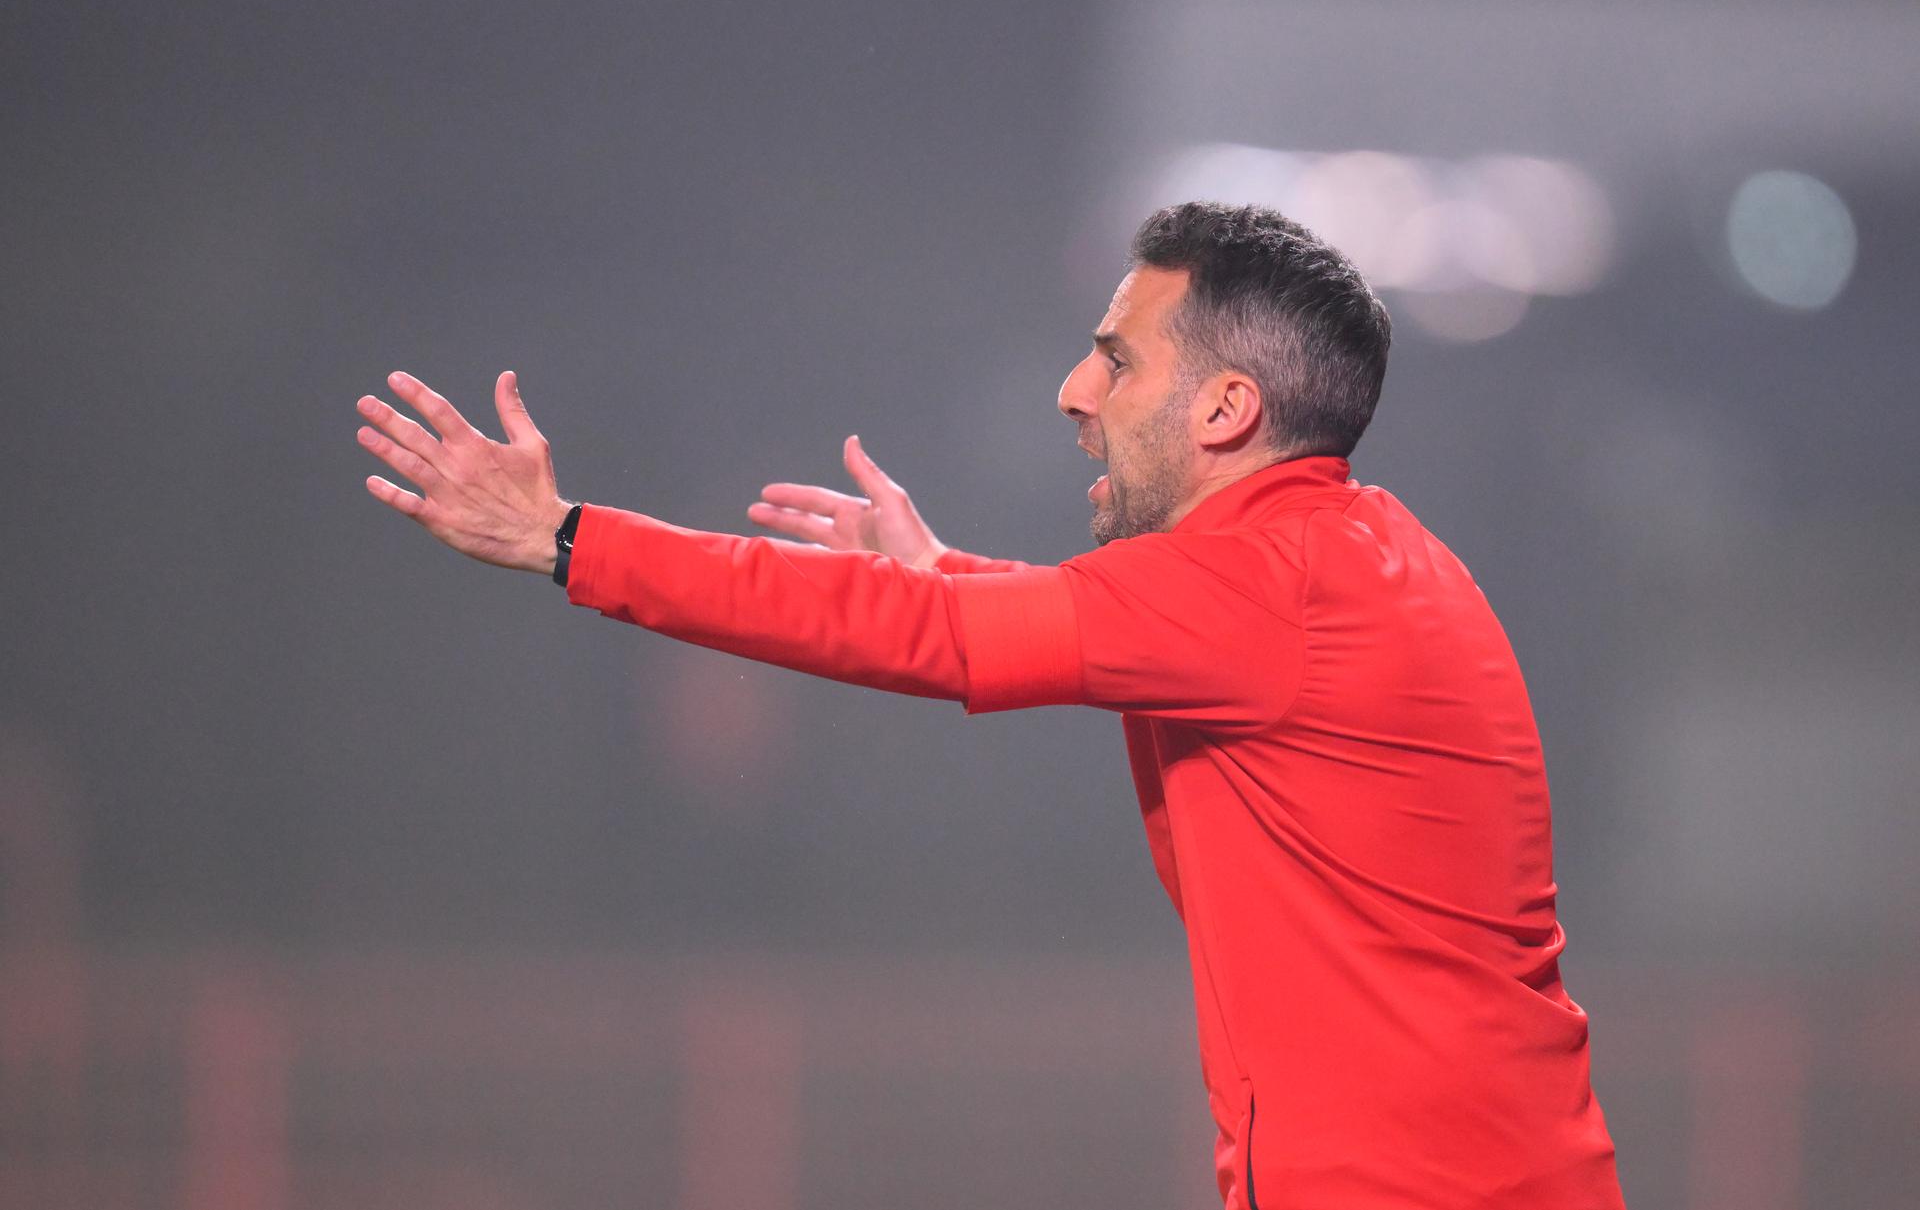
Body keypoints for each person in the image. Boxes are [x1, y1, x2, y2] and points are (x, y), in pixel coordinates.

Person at [353, 202, 1626, 1210]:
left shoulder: (1271, 582)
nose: (1076, 392)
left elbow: (935, 644)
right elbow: (1055, 619)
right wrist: (948, 576)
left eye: (1118, 362)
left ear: (1228, 410)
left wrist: (565, 537)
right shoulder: (1324, 563)